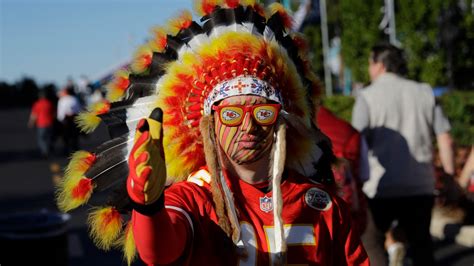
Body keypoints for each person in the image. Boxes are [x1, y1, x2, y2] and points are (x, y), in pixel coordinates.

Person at [56, 2, 369, 265]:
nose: (249, 127)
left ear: (281, 122)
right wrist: (147, 203)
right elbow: (161, 251)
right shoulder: (194, 197)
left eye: (263, 113)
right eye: (231, 115)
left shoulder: (321, 204)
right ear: (209, 125)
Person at [352, 43, 455, 266]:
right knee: (421, 245)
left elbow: (355, 142)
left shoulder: (367, 96)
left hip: (379, 187)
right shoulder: (425, 92)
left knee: (372, 242)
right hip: (420, 184)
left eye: (370, 62)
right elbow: (445, 138)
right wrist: (448, 177)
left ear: (379, 64)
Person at [316, 105, 370, 237]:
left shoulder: (293, 132)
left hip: (314, 214)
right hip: (350, 213)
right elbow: (365, 174)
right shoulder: (348, 130)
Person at [28, 90, 56, 158]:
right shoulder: (50, 103)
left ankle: (44, 151)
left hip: (41, 124)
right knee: (49, 138)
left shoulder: (37, 104)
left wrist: (31, 122)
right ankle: (48, 149)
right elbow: (54, 114)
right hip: (50, 123)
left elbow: (34, 115)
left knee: (41, 139)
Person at [57, 87, 82, 154]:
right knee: (74, 135)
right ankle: (75, 149)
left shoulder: (62, 100)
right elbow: (78, 109)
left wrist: (60, 120)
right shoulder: (74, 98)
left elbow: (60, 111)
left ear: (65, 92)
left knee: (66, 136)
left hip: (66, 120)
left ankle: (66, 149)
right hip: (73, 118)